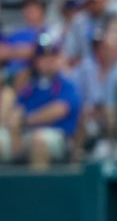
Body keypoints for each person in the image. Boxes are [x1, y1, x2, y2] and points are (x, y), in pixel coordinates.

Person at [0, 36, 81, 169]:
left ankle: (37, 189)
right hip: (25, 135)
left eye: (52, 57)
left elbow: (59, 110)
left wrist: (26, 120)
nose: (48, 61)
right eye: (43, 58)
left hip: (60, 136)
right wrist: (12, 120)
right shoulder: (30, 87)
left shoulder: (66, 84)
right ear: (36, 61)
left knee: (39, 140)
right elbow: (17, 109)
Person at [70, 17, 117, 153]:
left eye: (104, 46)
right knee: (83, 115)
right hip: (88, 119)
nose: (99, 50)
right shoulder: (86, 68)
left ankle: (112, 153)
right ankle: (75, 161)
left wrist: (112, 109)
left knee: (110, 115)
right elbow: (71, 92)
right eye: (96, 46)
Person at [0, 0, 49, 81]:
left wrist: (12, 51)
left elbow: (43, 52)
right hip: (9, 74)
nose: (28, 13)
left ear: (42, 11)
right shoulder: (16, 34)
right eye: (26, 10)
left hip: (34, 76)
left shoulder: (49, 32)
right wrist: (24, 51)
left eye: (32, 10)